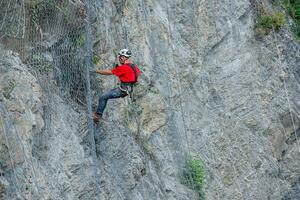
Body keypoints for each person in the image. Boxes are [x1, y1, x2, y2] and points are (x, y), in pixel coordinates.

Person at [92, 49, 141, 123]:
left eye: (120, 57)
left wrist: (96, 71)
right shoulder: (134, 66)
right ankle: (98, 115)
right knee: (105, 96)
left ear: (124, 57)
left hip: (122, 90)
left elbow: (109, 72)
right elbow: (135, 74)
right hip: (129, 89)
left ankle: (98, 115)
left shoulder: (124, 68)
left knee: (103, 97)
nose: (119, 58)